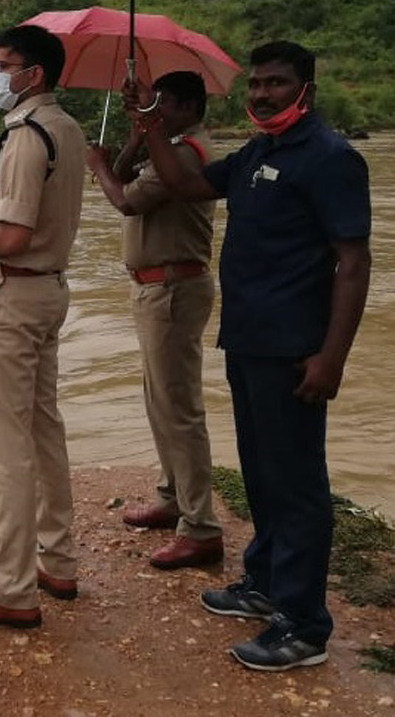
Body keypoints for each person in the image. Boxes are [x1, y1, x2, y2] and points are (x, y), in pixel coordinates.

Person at [129, 41, 370, 671]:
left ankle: (305, 626)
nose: (262, 94)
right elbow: (183, 183)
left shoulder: (331, 158)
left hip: (296, 350)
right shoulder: (258, 151)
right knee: (262, 472)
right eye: (256, 84)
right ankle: (264, 585)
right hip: (247, 340)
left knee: (297, 484)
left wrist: (332, 357)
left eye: (276, 84)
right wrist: (151, 126)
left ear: (305, 91)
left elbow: (353, 262)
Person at [0, 24, 87, 629]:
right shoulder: (69, 130)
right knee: (43, 427)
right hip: (48, 291)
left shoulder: (27, 138)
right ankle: (57, 560)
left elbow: (11, 235)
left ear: (35, 74)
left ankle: (11, 590)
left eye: (3, 65)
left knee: (5, 445)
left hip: (13, 292)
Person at [85, 71, 224, 570]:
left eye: (160, 103)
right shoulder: (169, 143)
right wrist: (135, 137)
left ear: (187, 107)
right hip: (155, 286)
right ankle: (172, 498)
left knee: (179, 408)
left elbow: (124, 199)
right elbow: (125, 177)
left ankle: (201, 527)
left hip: (172, 288)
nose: (153, 109)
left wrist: (98, 165)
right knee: (158, 400)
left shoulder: (186, 152)